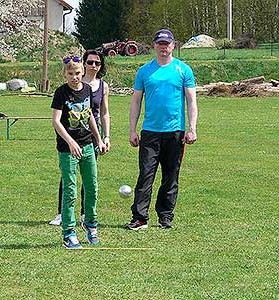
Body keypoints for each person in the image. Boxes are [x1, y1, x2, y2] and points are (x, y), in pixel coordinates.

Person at [126, 29, 198, 230]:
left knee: (171, 176)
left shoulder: (183, 70)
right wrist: (133, 130)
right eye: (160, 43)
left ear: (173, 45)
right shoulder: (144, 71)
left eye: (167, 43)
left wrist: (192, 128)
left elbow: (192, 101)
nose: (163, 47)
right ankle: (140, 217)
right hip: (150, 132)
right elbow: (136, 102)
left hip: (175, 132)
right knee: (146, 175)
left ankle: (165, 216)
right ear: (154, 46)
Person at [49, 49, 111, 226]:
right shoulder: (61, 92)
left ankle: (90, 222)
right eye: (70, 74)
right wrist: (70, 142)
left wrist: (99, 139)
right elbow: (56, 121)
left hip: (88, 144)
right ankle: (67, 225)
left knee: (92, 186)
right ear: (65, 74)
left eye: (77, 73)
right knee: (70, 188)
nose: (74, 77)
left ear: (82, 72)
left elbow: (91, 114)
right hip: (68, 146)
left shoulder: (87, 90)